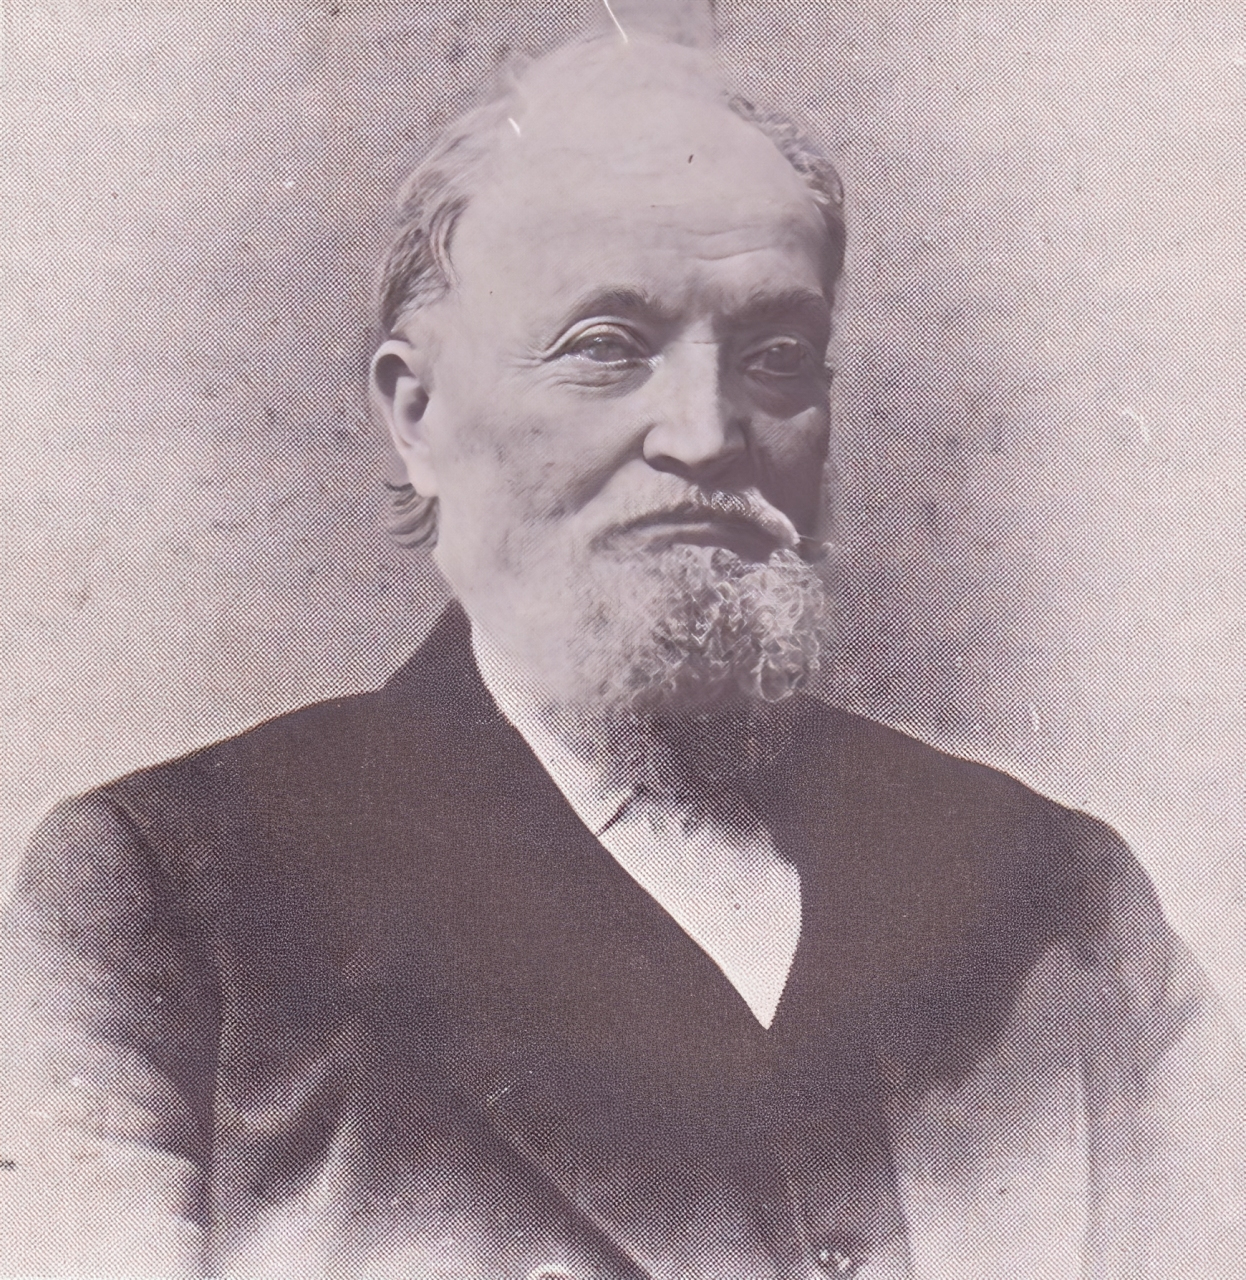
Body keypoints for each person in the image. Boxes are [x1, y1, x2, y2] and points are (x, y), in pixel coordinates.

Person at [2, 33, 1244, 1280]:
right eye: (605, 343)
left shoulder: (1061, 896)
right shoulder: (169, 905)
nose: (707, 435)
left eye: (775, 357)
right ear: (417, 413)